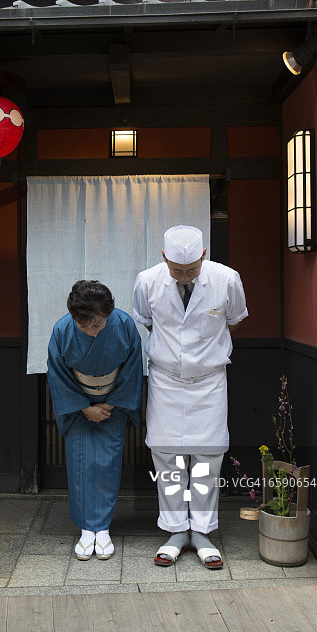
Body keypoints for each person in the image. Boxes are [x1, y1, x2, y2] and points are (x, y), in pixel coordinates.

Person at [132, 225, 248, 569]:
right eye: (177, 270)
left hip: (209, 380)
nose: (184, 276)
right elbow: (149, 322)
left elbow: (235, 320)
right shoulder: (147, 281)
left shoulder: (227, 279)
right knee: (166, 456)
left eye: (192, 269)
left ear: (204, 254)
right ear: (164, 257)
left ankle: (202, 532)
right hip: (166, 380)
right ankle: (175, 530)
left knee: (208, 457)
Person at [47, 280, 143, 561]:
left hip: (113, 405)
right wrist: (83, 407)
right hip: (79, 408)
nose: (91, 331)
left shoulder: (124, 324)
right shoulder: (62, 329)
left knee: (107, 464)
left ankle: (103, 528)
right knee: (81, 467)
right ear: (73, 317)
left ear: (109, 314)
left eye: (98, 325)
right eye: (84, 326)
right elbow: (57, 372)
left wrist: (110, 403)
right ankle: (86, 530)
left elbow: (134, 366)